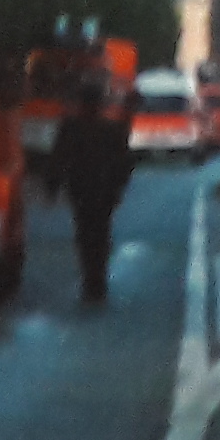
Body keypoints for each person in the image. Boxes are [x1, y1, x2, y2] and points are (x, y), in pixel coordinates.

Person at [59, 76, 136, 304]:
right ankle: (97, 278)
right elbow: (125, 161)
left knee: (85, 234)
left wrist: (52, 185)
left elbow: (59, 157)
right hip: (103, 192)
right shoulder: (110, 130)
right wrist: (118, 187)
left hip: (81, 190)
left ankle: (90, 278)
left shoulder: (71, 127)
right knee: (100, 234)